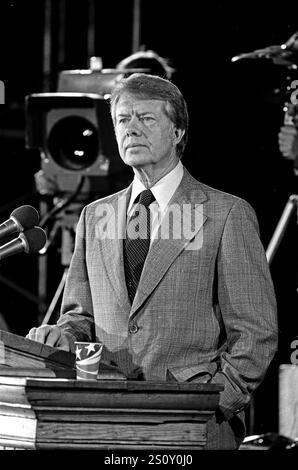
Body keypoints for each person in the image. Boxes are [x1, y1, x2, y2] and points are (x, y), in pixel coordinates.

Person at [27, 73, 278, 449]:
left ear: (178, 132)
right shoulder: (95, 216)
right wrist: (63, 336)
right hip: (105, 423)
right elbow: (81, 317)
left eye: (146, 118)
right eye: (123, 120)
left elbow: (256, 332)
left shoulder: (226, 213)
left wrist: (213, 402)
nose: (132, 129)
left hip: (192, 426)